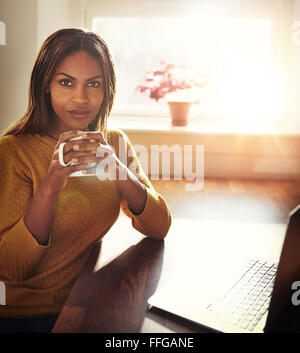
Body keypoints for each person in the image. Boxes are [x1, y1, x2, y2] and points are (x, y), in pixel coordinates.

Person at [0, 28, 171, 332]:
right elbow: (11, 269)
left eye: (94, 84)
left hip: (81, 299)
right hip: (19, 315)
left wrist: (117, 168)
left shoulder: (115, 143)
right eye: (66, 83)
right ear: (45, 87)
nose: (81, 98)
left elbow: (159, 226)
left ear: (107, 90)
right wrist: (52, 182)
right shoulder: (13, 151)